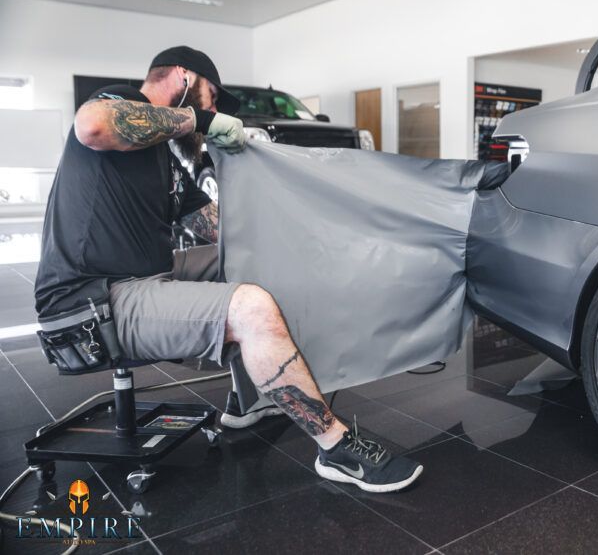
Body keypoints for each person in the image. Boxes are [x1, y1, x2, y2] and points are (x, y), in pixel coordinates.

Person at [34, 46, 422, 493]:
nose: (214, 109)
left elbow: (226, 230)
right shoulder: (119, 105)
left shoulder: (167, 165)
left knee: (248, 262)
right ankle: (337, 450)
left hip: (144, 281)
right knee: (251, 308)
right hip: (90, 300)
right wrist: (202, 121)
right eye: (212, 97)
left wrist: (315, 226)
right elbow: (94, 127)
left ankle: (247, 401)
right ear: (183, 77)